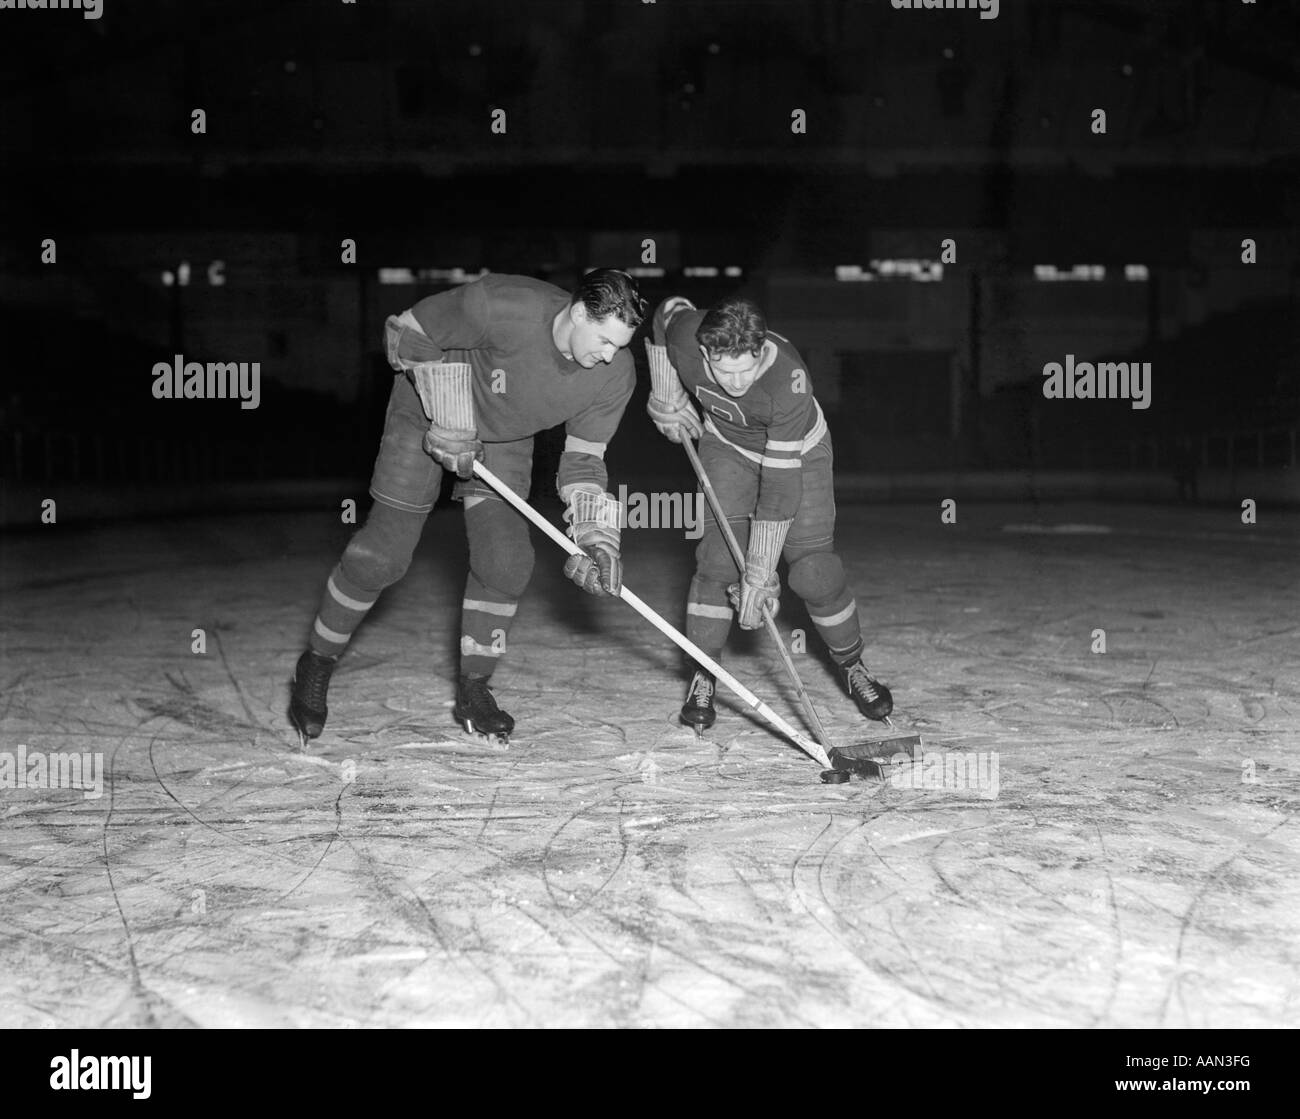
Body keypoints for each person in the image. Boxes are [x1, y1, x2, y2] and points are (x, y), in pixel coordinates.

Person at [290, 268, 645, 745]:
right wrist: (448, 412)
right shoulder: (503, 303)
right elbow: (405, 331)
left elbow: (583, 460)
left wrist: (597, 535)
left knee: (506, 561)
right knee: (381, 557)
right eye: (604, 340)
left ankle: (475, 687)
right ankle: (317, 660)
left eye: (620, 345)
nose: (610, 355)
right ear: (579, 312)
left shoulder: (615, 374)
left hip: (504, 437)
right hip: (424, 413)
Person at [644, 294, 894, 731]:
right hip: (727, 447)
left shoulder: (789, 381)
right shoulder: (687, 336)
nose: (736, 382)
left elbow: (778, 490)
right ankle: (704, 673)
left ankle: (853, 664)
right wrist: (666, 394)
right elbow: (667, 313)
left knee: (814, 571)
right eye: (724, 371)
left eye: (747, 368)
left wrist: (759, 572)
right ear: (704, 351)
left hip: (799, 455)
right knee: (718, 561)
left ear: (761, 350)